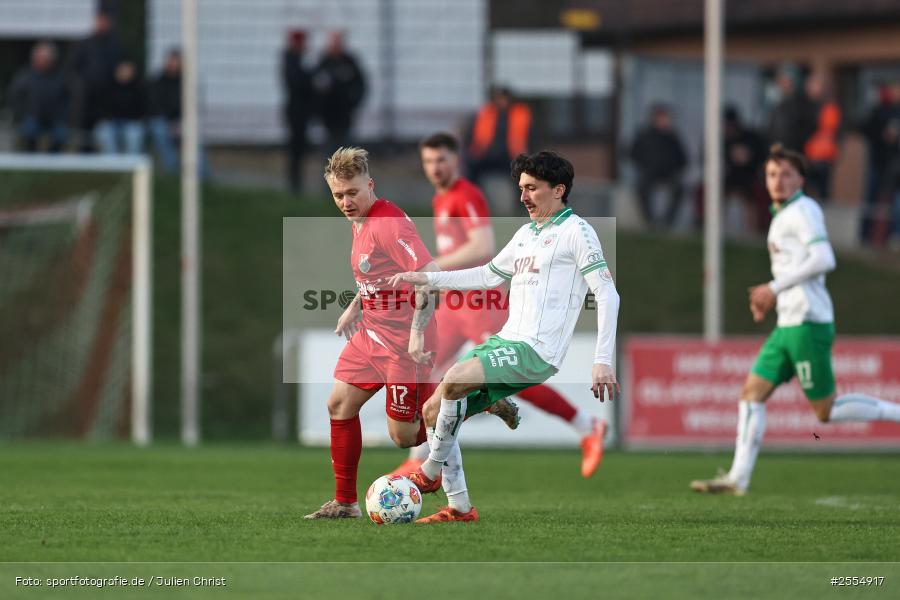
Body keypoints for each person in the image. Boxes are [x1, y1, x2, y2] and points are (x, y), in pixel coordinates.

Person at [388, 150, 620, 522]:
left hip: (536, 350)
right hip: (506, 340)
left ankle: (429, 472)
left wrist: (602, 360)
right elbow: (486, 275)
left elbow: (608, 293)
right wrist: (428, 278)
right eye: (521, 188)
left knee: (453, 382)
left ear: (559, 190)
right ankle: (460, 507)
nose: (523, 197)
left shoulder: (577, 232)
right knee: (433, 410)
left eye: (532, 189)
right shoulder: (526, 234)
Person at [302, 147, 513, 519]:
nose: (346, 202)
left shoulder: (388, 224)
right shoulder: (362, 222)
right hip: (371, 334)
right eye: (338, 195)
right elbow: (376, 275)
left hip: (403, 343)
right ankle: (345, 503)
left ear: (371, 185)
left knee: (404, 436)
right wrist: (355, 306)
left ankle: (470, 401)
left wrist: (417, 333)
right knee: (339, 405)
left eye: (353, 193)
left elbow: (429, 278)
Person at [690, 144, 900, 497]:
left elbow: (824, 258)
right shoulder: (783, 215)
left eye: (787, 174)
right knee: (751, 394)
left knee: (826, 411)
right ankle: (737, 479)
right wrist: (771, 301)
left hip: (808, 322)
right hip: (787, 324)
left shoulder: (803, 210)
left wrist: (772, 288)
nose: (778, 181)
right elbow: (796, 269)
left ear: (801, 178)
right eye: (772, 174)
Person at [67, 9, 125, 151]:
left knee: (104, 130)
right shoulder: (84, 44)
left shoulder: (116, 45)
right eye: (100, 21)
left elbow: (122, 68)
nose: (102, 24)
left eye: (105, 21)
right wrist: (79, 86)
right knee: (84, 130)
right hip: (86, 97)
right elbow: (72, 68)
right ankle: (83, 158)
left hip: (108, 98)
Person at [629, 104, 688, 228]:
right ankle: (650, 221)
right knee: (641, 187)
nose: (666, 121)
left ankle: (667, 221)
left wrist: (675, 168)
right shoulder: (645, 135)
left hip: (669, 174)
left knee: (680, 188)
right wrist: (644, 165)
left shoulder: (673, 137)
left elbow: (683, 158)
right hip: (650, 173)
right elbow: (633, 153)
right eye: (663, 118)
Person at [465, 87, 532, 189]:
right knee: (471, 166)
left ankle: (523, 200)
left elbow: (530, 137)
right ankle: (472, 195)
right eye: (499, 98)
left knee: (524, 172)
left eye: (504, 98)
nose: (502, 101)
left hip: (511, 156)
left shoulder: (520, 113)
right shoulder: (486, 112)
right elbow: (472, 135)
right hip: (486, 154)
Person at [8, 41, 68, 152]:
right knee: (30, 128)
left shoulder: (60, 77)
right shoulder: (24, 76)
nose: (44, 60)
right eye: (41, 57)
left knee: (61, 132)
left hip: (55, 119)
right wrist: (21, 116)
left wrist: (62, 115)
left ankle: (54, 162)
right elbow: (15, 99)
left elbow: (66, 100)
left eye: (47, 58)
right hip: (31, 116)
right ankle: (30, 159)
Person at [859, 81, 900, 245]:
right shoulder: (879, 110)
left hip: (895, 165)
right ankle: (864, 235)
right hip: (877, 162)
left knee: (894, 202)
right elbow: (864, 128)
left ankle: (892, 236)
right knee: (870, 198)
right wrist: (882, 134)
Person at [312, 32, 366, 152]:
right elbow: (314, 88)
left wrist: (354, 102)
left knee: (346, 147)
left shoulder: (349, 62)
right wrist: (317, 109)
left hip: (345, 113)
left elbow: (361, 84)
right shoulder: (323, 62)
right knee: (329, 148)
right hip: (328, 114)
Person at [723, 106, 768, 234]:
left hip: (748, 178)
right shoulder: (721, 139)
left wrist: (749, 156)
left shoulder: (750, 137)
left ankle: (752, 232)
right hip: (727, 178)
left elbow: (761, 156)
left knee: (752, 200)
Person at [281, 30, 314, 195]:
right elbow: (297, 83)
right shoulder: (291, 60)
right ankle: (294, 183)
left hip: (301, 111)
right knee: (295, 149)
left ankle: (297, 182)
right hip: (296, 111)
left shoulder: (298, 59)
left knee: (300, 149)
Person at [803, 73, 842, 200]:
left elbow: (830, 130)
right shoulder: (807, 105)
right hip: (809, 153)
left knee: (822, 191)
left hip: (822, 155)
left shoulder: (828, 107)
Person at [93, 59, 145, 154]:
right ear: (117, 71)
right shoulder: (106, 87)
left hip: (130, 122)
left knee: (134, 133)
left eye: (128, 70)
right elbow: (99, 108)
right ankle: (112, 164)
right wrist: (107, 118)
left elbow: (142, 110)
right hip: (110, 122)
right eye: (123, 70)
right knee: (103, 132)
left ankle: (130, 165)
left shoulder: (138, 88)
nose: (125, 73)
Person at [148, 49, 183, 173]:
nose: (173, 64)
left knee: (192, 133)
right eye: (171, 61)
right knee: (160, 129)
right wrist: (169, 121)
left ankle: (202, 177)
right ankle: (172, 171)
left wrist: (176, 120)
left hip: (180, 120)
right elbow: (154, 106)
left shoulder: (186, 83)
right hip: (162, 120)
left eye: (176, 61)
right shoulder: (157, 82)